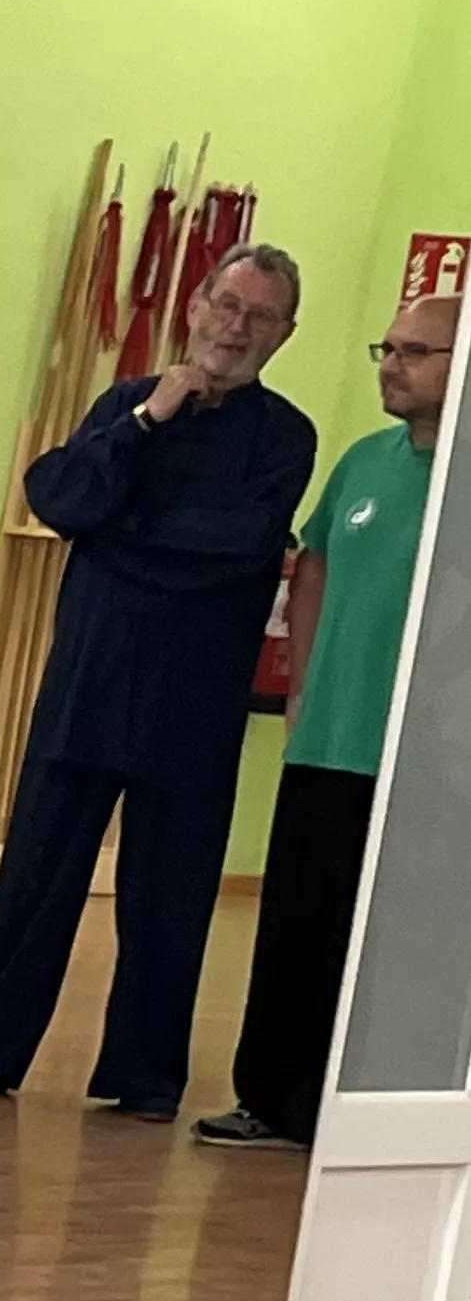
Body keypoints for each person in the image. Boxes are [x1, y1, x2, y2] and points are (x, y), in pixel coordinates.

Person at [0, 243, 315, 1120]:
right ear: (193, 306)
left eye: (258, 316)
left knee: (168, 896)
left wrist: (124, 526)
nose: (234, 327)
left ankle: (144, 1075)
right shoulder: (126, 403)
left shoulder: (285, 434)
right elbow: (58, 496)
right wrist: (145, 423)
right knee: (34, 876)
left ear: (282, 335)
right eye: (225, 304)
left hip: (196, 697)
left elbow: (239, 544)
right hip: (89, 681)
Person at [197, 288, 454, 1150]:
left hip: (428, 760)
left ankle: (379, 1111)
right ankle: (274, 1098)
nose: (392, 364)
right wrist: (303, 682)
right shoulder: (362, 463)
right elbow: (311, 568)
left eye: (416, 352)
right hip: (330, 737)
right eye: (386, 348)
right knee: (298, 924)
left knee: (396, 942)